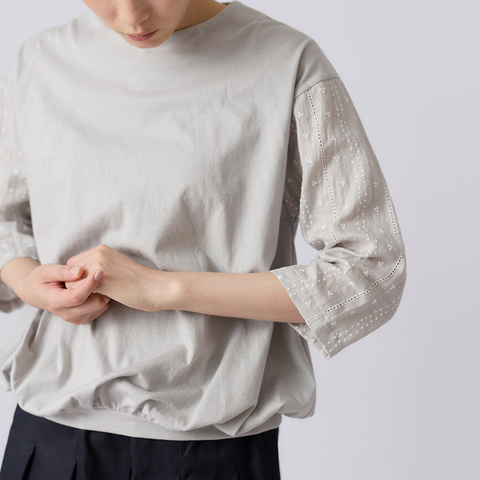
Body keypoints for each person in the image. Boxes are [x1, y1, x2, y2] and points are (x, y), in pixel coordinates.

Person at [0, 0, 407, 478]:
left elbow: (371, 270)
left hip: (210, 451)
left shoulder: (286, 64)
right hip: (49, 437)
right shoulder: (41, 61)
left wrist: (163, 288)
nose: (132, 16)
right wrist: (27, 281)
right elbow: (6, 220)